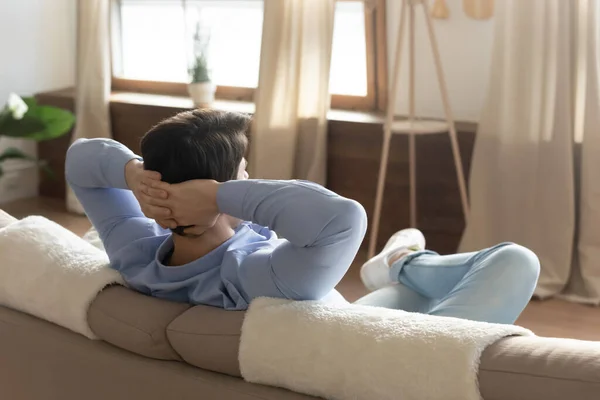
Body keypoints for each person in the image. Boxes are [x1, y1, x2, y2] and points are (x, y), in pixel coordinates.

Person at [65, 109, 540, 324]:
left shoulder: (137, 253)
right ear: (217, 192)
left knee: (407, 292)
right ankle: (402, 261)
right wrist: (222, 195)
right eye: (242, 176)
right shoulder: (252, 276)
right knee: (515, 261)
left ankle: (400, 265)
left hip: (349, 317)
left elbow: (82, 159)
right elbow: (343, 219)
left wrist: (131, 173)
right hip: (378, 342)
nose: (247, 182)